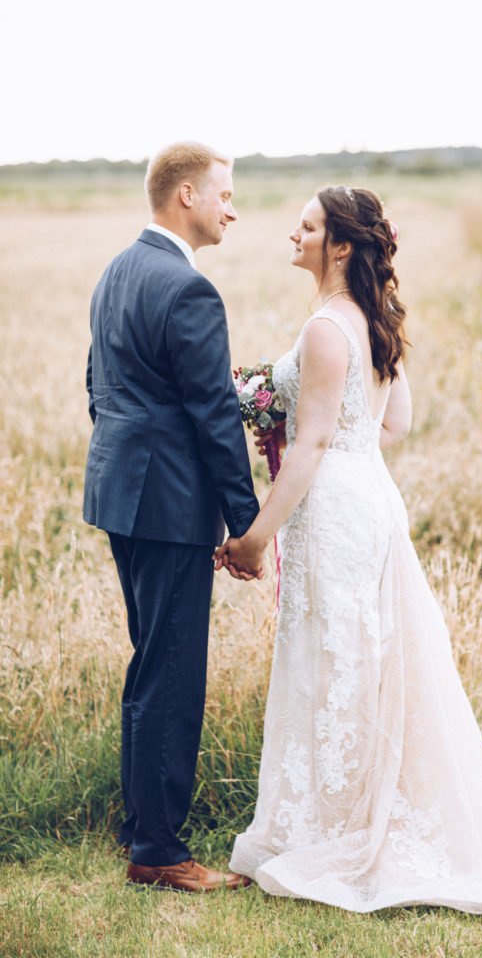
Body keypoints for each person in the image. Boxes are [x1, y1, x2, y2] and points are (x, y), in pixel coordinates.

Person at [215, 185, 482, 912]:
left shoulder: (327, 330)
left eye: (305, 227)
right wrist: (323, 439)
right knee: (360, 660)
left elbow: (313, 441)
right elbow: (391, 426)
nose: (291, 236)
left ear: (339, 244)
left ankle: (332, 830)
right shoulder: (372, 322)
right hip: (369, 499)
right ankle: (333, 816)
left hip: (332, 509)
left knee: (330, 660)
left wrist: (252, 538)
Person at [83, 142, 259, 893]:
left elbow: (96, 385)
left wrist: (128, 461)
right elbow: (215, 414)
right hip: (169, 506)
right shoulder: (188, 288)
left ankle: (141, 829)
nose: (232, 207)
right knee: (173, 673)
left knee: (150, 662)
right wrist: (247, 525)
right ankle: (158, 851)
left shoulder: (117, 271)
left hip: (123, 496)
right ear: (184, 195)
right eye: (223, 193)